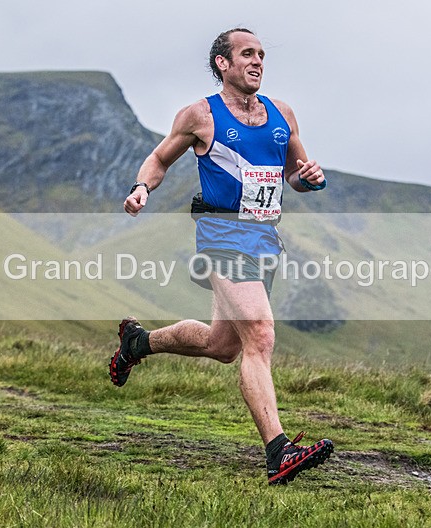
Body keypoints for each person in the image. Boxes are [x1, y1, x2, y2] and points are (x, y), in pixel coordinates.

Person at [109, 28, 333, 485]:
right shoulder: (200, 115)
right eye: (247, 54)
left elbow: (294, 175)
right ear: (222, 64)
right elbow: (159, 159)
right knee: (260, 336)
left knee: (223, 346)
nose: (258, 62)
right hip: (221, 237)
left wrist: (310, 177)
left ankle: (137, 342)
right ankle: (278, 451)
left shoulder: (282, 114)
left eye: (262, 55)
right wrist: (141, 188)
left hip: (264, 239)